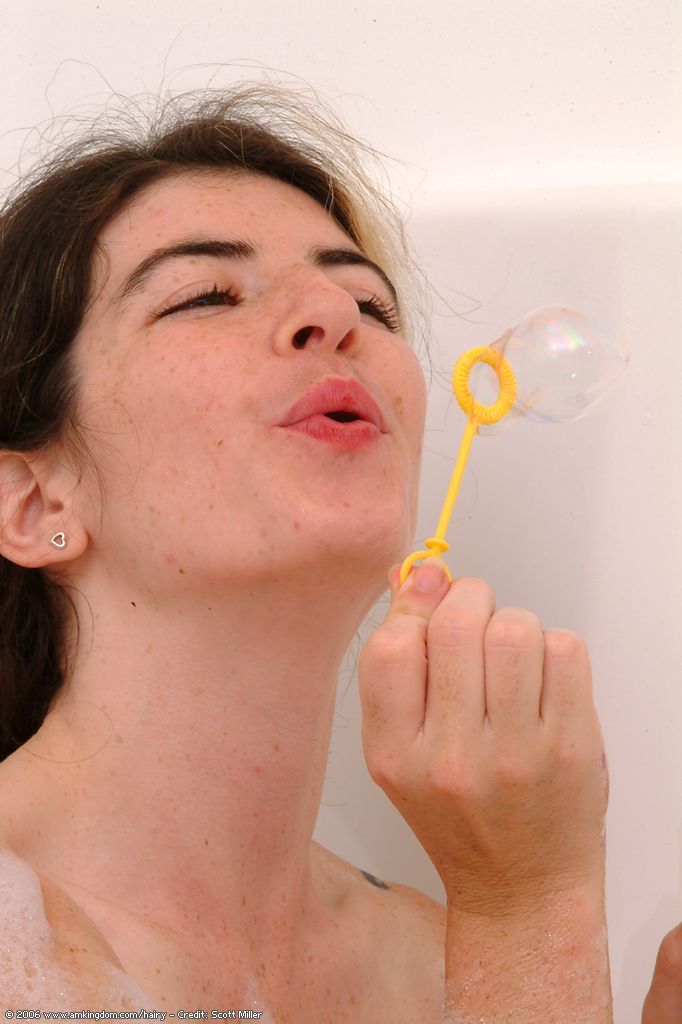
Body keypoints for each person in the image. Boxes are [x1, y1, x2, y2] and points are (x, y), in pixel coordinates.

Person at [0, 80, 667, 1021]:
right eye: (205, 295)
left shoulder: (442, 966)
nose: (334, 313)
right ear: (34, 505)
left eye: (372, 303)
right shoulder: (498, 941)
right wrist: (529, 913)